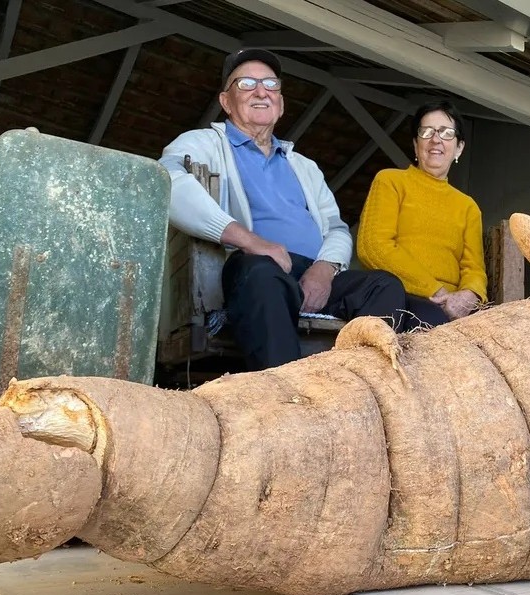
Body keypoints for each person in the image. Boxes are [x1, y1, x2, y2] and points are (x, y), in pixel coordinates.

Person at [159, 48, 412, 370]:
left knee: (383, 285)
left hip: (310, 271)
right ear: (226, 101)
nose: (261, 91)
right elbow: (167, 182)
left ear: (280, 103)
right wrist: (252, 242)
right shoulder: (203, 143)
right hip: (251, 265)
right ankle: (286, 394)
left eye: (271, 84)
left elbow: (335, 227)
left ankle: (356, 383)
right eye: (247, 83)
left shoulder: (303, 165)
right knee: (262, 273)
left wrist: (325, 269)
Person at [356, 101, 487, 326]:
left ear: (459, 148)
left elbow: (473, 269)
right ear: (416, 145)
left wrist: (469, 295)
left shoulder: (468, 207)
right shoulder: (391, 181)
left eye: (446, 133)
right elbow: (373, 246)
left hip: (452, 308)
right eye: (427, 132)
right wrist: (435, 290)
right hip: (400, 295)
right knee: (429, 325)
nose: (436, 139)